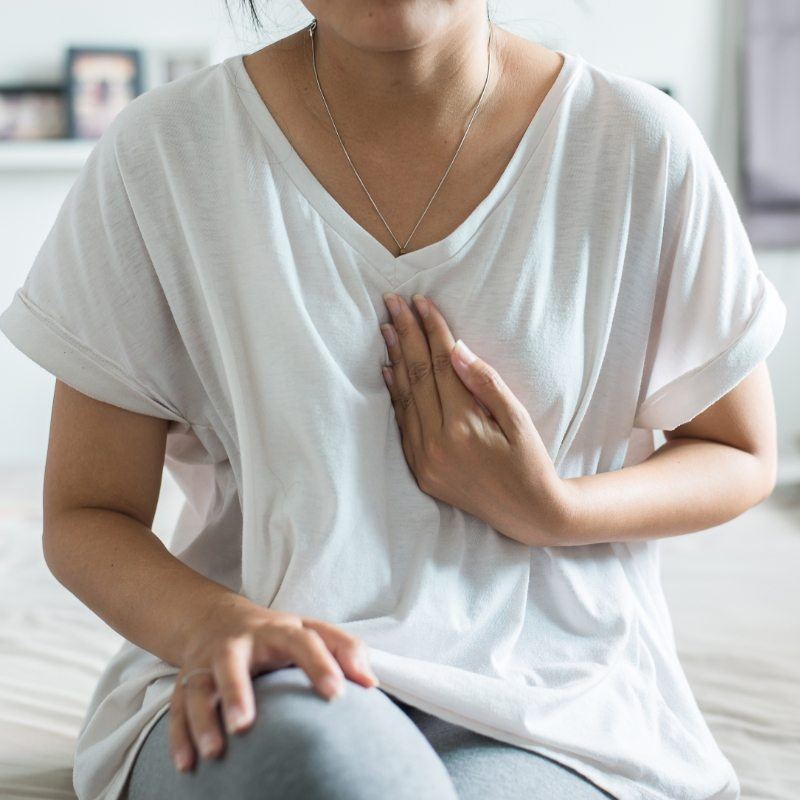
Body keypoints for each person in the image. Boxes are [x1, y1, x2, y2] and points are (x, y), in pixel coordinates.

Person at [0, 1, 787, 798]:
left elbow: (739, 451)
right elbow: (88, 511)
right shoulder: (165, 154)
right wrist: (216, 625)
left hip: (554, 707)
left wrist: (553, 510)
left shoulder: (636, 145)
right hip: (274, 685)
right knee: (338, 774)